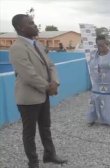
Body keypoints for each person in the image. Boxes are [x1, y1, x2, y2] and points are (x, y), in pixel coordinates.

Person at [9, 14, 67, 168]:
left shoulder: (38, 45)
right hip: (28, 97)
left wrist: (55, 82)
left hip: (44, 94)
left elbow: (51, 65)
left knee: (45, 127)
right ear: (21, 28)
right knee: (29, 133)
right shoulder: (17, 48)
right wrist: (48, 87)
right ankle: (33, 162)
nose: (36, 25)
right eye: (31, 23)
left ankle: (49, 155)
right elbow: (28, 75)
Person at [87, 36, 110, 126]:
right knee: (95, 97)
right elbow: (91, 65)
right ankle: (92, 118)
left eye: (103, 45)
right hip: (97, 82)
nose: (101, 48)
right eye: (98, 46)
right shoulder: (93, 55)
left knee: (108, 100)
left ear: (107, 44)